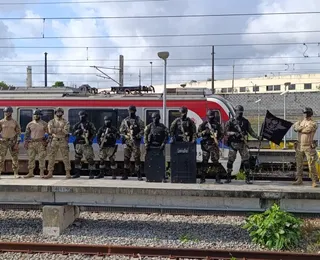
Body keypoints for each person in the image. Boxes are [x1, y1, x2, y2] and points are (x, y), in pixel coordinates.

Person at [225, 105, 260, 184]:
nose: (240, 114)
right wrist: (233, 133)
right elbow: (225, 132)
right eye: (239, 112)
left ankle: (247, 178)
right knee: (230, 161)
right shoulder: (231, 121)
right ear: (236, 112)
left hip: (242, 143)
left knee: (246, 161)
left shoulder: (245, 122)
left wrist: (258, 137)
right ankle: (228, 177)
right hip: (233, 144)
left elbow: (251, 131)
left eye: (241, 112)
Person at [292, 107, 318, 188]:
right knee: (299, 164)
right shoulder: (301, 121)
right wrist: (298, 127)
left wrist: (299, 128)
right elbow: (295, 127)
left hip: (308, 147)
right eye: (304, 113)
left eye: (306, 113)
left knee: (311, 164)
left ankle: (314, 181)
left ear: (310, 114)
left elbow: (307, 130)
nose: (305, 115)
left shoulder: (313, 123)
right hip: (299, 146)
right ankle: (299, 179)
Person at [198, 110, 224, 184]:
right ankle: (202, 178)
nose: (211, 119)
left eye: (212, 117)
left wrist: (217, 140)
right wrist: (205, 132)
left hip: (213, 145)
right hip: (205, 146)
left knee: (215, 162)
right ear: (207, 117)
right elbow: (198, 134)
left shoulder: (217, 125)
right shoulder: (203, 125)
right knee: (204, 162)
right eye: (210, 117)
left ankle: (217, 179)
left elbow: (222, 134)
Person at [119, 105, 145, 181]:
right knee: (126, 159)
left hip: (135, 142)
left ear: (135, 111)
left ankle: (139, 175)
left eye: (132, 111)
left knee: (137, 159)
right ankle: (125, 174)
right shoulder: (125, 121)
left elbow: (143, 130)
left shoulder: (138, 120)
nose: (131, 113)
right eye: (130, 111)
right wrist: (125, 136)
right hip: (127, 142)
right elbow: (121, 131)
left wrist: (137, 136)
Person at [45, 107, 71, 179]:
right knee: (51, 157)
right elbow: (50, 131)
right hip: (54, 140)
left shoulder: (66, 122)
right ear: (55, 113)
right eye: (57, 112)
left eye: (60, 112)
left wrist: (55, 130)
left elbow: (66, 131)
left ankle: (68, 173)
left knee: (65, 157)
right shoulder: (51, 121)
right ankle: (50, 172)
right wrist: (60, 129)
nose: (59, 113)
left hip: (63, 140)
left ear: (62, 113)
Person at [24, 109, 49, 178]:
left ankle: (41, 173)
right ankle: (30, 173)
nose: (36, 116)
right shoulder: (30, 124)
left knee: (41, 158)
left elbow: (49, 134)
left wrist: (46, 142)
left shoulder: (44, 124)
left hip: (41, 143)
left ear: (40, 116)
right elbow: (27, 134)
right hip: (31, 143)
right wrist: (26, 142)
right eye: (35, 114)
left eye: (37, 114)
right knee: (31, 158)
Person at [72, 111, 96, 179]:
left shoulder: (90, 124)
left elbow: (94, 132)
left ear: (86, 116)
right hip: (78, 144)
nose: (81, 116)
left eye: (83, 115)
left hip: (86, 144)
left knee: (90, 159)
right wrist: (77, 131)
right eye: (80, 115)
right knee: (77, 159)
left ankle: (91, 173)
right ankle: (77, 173)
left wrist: (90, 140)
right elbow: (73, 133)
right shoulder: (77, 125)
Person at [0, 106, 21, 178]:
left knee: (15, 158)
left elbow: (18, 133)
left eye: (8, 112)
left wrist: (17, 143)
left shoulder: (14, 122)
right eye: (5, 112)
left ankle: (15, 173)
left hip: (13, 142)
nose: (6, 113)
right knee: (1, 158)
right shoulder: (1, 122)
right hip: (3, 142)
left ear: (11, 113)